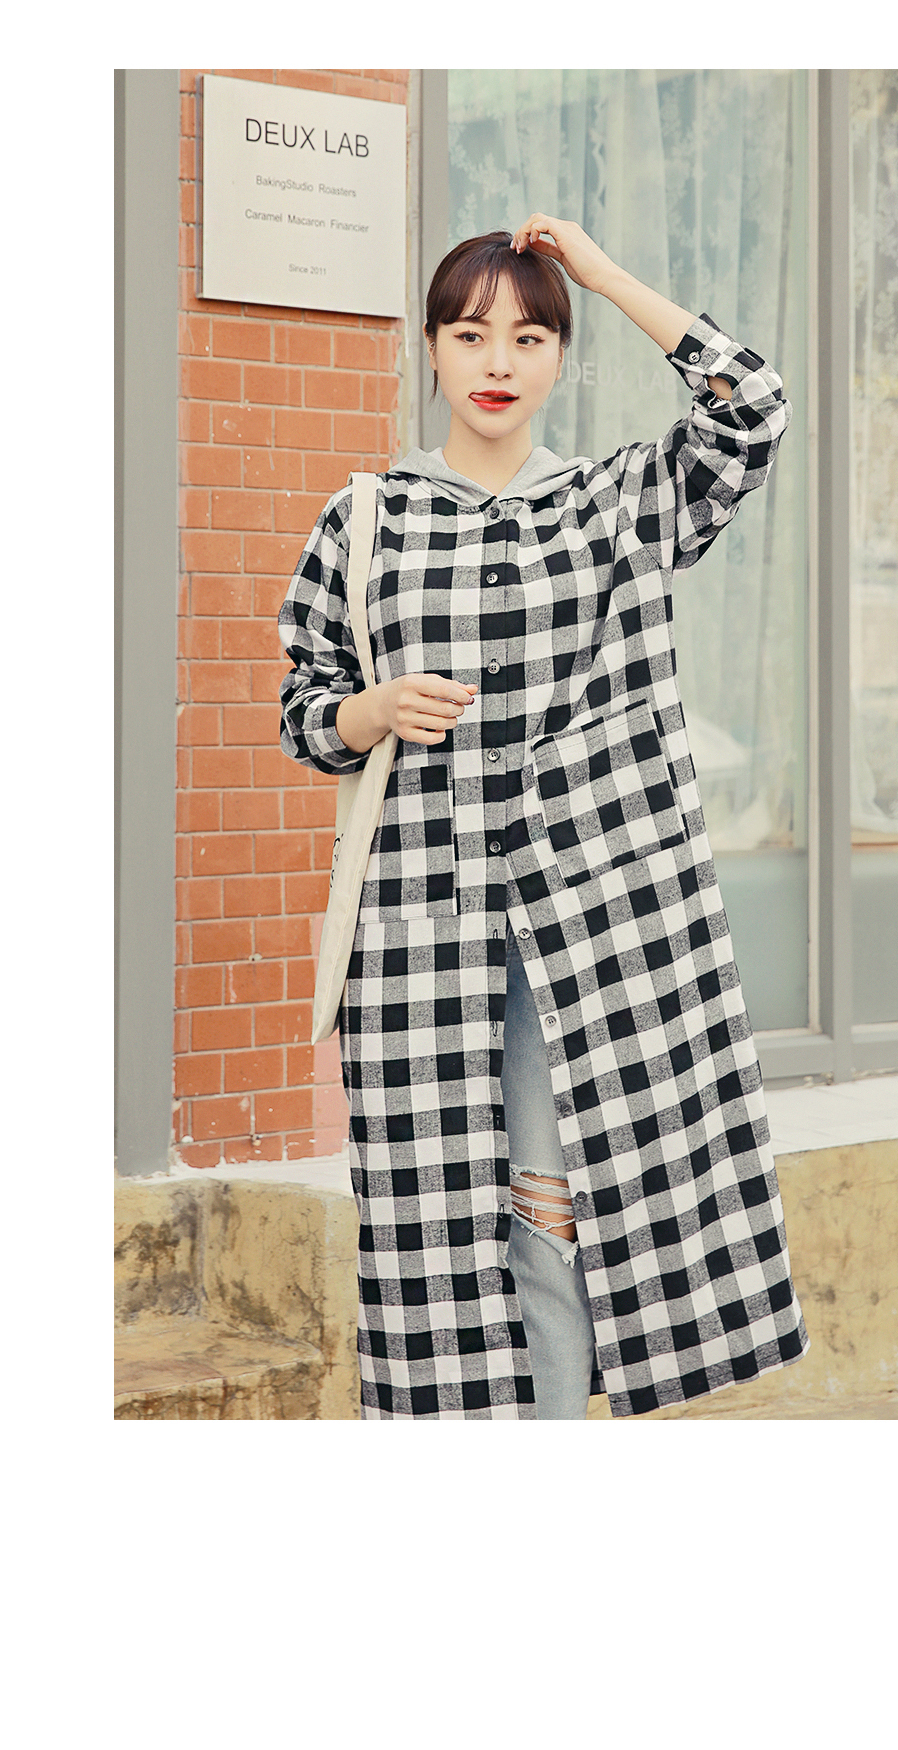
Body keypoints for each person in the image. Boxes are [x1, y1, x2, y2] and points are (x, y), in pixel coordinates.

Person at [278, 213, 810, 1420]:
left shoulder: (613, 503)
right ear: (430, 349)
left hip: (595, 929)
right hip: (424, 931)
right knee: (432, 1239)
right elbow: (303, 709)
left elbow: (752, 411)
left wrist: (605, 275)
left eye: (528, 336)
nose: (498, 362)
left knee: (556, 1210)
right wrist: (370, 710)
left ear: (562, 356)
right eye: (470, 334)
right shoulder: (365, 520)